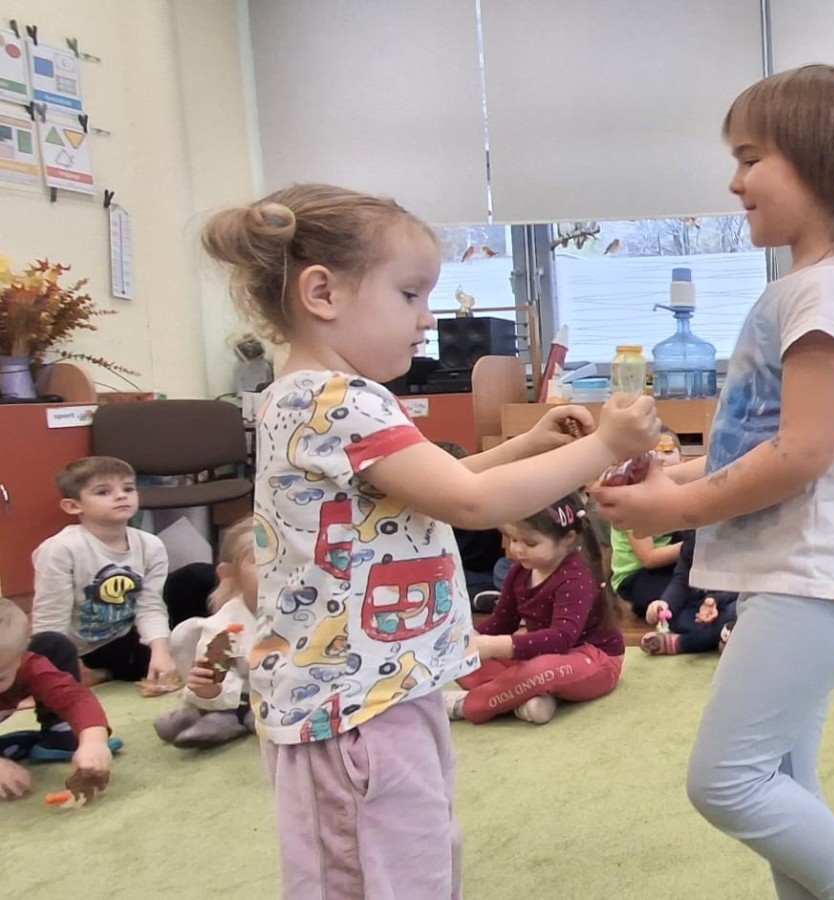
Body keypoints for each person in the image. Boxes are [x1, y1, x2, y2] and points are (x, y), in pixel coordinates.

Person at [200, 183, 658, 900]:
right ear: (322, 293)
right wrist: (604, 446)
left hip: (383, 683)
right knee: (376, 873)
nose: (427, 319)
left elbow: (428, 486)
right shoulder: (338, 399)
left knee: (416, 855)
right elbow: (468, 503)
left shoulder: (310, 396)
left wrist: (527, 444)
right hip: (351, 702)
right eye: (409, 294)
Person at [594, 65, 834, 900]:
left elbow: (800, 455)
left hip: (814, 574)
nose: (733, 182)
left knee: (727, 782)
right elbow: (767, 440)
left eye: (749, 159)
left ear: (826, 170)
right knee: (779, 779)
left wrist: (673, 504)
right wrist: (675, 473)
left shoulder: (823, 292)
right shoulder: (812, 288)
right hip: (811, 571)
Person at [442, 492, 624, 725]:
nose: (517, 550)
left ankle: (465, 704)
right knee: (460, 656)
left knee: (539, 670)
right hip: (547, 658)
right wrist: (470, 638)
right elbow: (501, 623)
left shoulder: (576, 576)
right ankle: (529, 697)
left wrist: (495, 645)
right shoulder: (519, 572)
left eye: (530, 543)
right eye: (513, 540)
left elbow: (560, 639)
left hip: (595, 661)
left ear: (568, 538)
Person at [31, 456, 175, 685]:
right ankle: (91, 672)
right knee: (45, 655)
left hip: (122, 638)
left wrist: (161, 652)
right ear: (73, 506)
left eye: (128, 489)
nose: (121, 496)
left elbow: (150, 605)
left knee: (194, 581)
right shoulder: (60, 549)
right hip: (80, 649)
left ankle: (105, 673)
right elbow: (50, 619)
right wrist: (65, 666)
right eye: (103, 492)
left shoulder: (151, 545)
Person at [154, 518, 258, 748]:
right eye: (261, 561)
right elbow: (217, 675)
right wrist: (210, 691)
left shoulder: (310, 613)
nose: (276, 571)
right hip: (244, 695)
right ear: (229, 574)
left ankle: (208, 716)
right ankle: (219, 715)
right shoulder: (224, 626)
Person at [0, 598, 117, 800]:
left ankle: (60, 732)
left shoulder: (29, 666)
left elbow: (75, 699)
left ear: (20, 658)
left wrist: (94, 742)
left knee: (54, 644)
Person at [609, 428, 685, 618]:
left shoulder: (682, 490)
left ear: (682, 459)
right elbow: (649, 558)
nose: (660, 458)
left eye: (668, 451)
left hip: (671, 564)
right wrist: (692, 547)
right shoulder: (632, 498)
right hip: (637, 573)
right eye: (651, 453)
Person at [640, 531, 737, 655]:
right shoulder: (693, 540)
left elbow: (741, 587)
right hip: (699, 608)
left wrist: (714, 599)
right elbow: (681, 580)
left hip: (727, 603)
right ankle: (722, 636)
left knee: (738, 611)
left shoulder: (740, 542)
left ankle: (679, 644)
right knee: (676, 617)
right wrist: (664, 604)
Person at [435, 442, 506, 608]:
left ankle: (487, 596)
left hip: (485, 572)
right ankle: (488, 598)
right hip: (463, 574)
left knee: (504, 567)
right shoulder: (432, 511)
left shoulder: (484, 503)